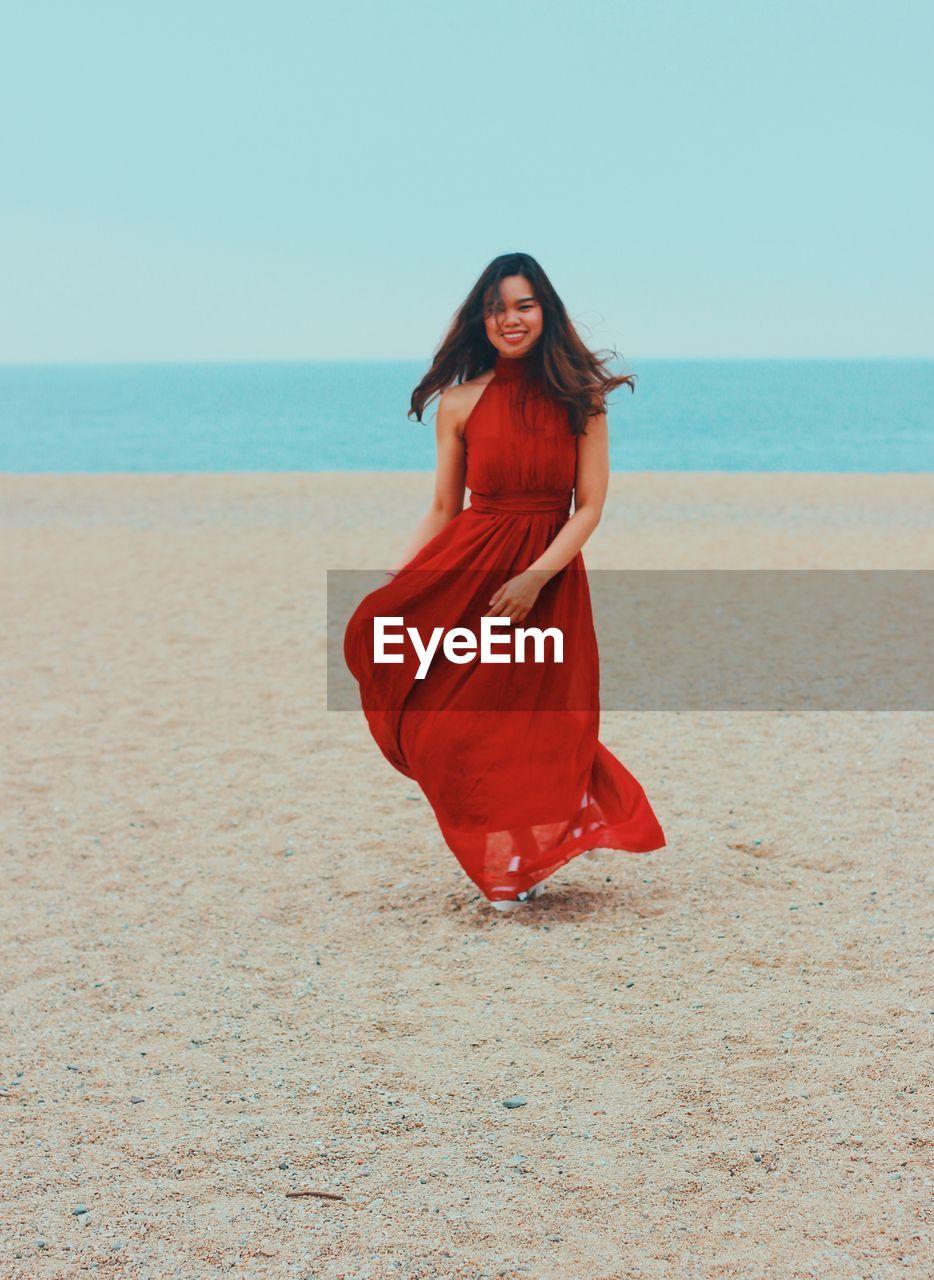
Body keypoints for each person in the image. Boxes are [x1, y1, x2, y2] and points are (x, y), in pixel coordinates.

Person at [343, 251, 666, 912]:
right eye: (497, 309)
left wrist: (535, 578)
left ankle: (522, 862)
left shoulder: (583, 402)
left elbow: (591, 509)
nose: (510, 319)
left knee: (537, 722)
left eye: (523, 305)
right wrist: (403, 579)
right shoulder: (458, 405)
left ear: (545, 312)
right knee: (455, 724)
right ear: (480, 321)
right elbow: (442, 508)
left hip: (547, 581)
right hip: (470, 572)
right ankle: (501, 858)